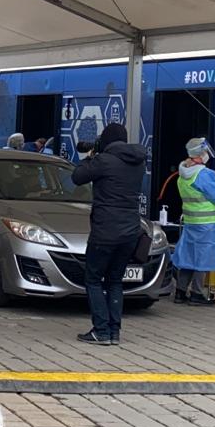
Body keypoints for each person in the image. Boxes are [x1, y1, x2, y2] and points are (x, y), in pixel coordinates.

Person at [69, 123, 146, 345]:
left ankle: (100, 330)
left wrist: (89, 156)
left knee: (93, 279)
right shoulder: (138, 162)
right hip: (131, 231)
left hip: (105, 230)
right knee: (115, 281)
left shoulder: (103, 161)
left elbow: (77, 177)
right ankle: (114, 332)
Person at [170, 138, 215, 305]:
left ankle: (180, 292)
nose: (207, 155)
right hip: (207, 224)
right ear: (199, 155)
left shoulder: (184, 172)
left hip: (192, 222)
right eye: (205, 153)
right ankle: (198, 294)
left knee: (188, 256)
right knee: (202, 259)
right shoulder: (203, 173)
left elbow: (203, 188)